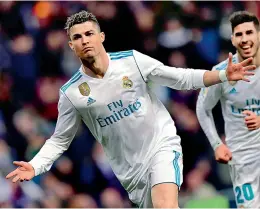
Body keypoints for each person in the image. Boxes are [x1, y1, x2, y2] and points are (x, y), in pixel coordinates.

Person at [6, 10, 255, 208]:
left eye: (89, 34)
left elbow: (180, 78)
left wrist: (221, 74)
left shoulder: (132, 60)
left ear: (101, 36)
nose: (85, 40)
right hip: (131, 172)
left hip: (161, 145)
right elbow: (60, 140)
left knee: (165, 205)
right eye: (77, 37)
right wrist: (36, 165)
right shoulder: (71, 93)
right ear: (71, 45)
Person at [196, 11, 260, 208]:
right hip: (242, 157)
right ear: (232, 39)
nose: (245, 39)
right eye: (238, 34)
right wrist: (217, 145)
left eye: (249, 32)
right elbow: (202, 109)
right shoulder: (221, 73)